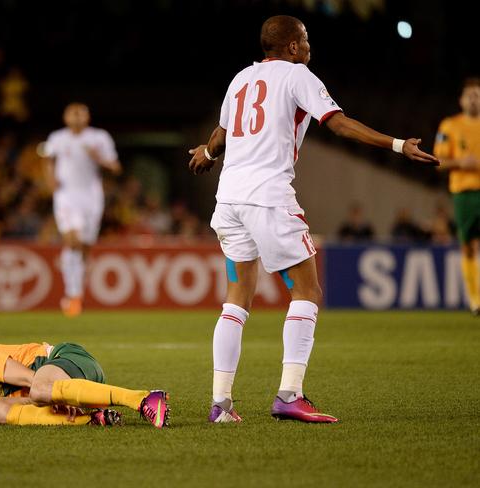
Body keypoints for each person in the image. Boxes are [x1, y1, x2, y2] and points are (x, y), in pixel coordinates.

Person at [188, 15, 438, 424]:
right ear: (290, 46)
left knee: (236, 298)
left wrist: (208, 155)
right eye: (304, 39)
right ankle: (289, 394)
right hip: (268, 198)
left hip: (229, 201)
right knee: (307, 291)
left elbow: (220, 135)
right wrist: (396, 145)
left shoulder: (240, 79)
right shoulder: (298, 75)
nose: (308, 45)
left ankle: (220, 404)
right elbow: (338, 124)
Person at [0, 340, 170, 428]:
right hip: (72, 391)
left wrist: (55, 397)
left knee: (39, 390)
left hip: (67, 358)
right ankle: (93, 420)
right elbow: (34, 401)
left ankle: (143, 399)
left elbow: (29, 379)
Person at [40, 103, 121, 317]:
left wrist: (97, 157)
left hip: (91, 198)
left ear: (87, 116)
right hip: (66, 196)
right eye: (73, 113)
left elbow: (115, 167)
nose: (77, 117)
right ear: (66, 117)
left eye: (81, 113)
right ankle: (73, 295)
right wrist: (50, 180)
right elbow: (47, 160)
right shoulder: (57, 138)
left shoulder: (99, 138)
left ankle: (76, 293)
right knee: (72, 241)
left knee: (84, 248)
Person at [434, 78, 480, 314]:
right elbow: (438, 161)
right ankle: (475, 301)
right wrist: (461, 162)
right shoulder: (449, 126)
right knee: (468, 246)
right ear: (462, 100)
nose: (474, 99)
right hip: (464, 193)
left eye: (477, 95)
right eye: (470, 95)